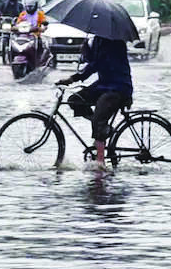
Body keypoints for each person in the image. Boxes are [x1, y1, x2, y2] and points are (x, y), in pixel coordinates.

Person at [56, 36, 133, 175]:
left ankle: (100, 162)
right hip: (103, 85)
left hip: (118, 87)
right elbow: (92, 61)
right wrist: (86, 51)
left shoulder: (115, 41)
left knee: (99, 119)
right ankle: (103, 128)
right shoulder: (98, 40)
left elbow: (96, 64)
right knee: (75, 100)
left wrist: (73, 78)